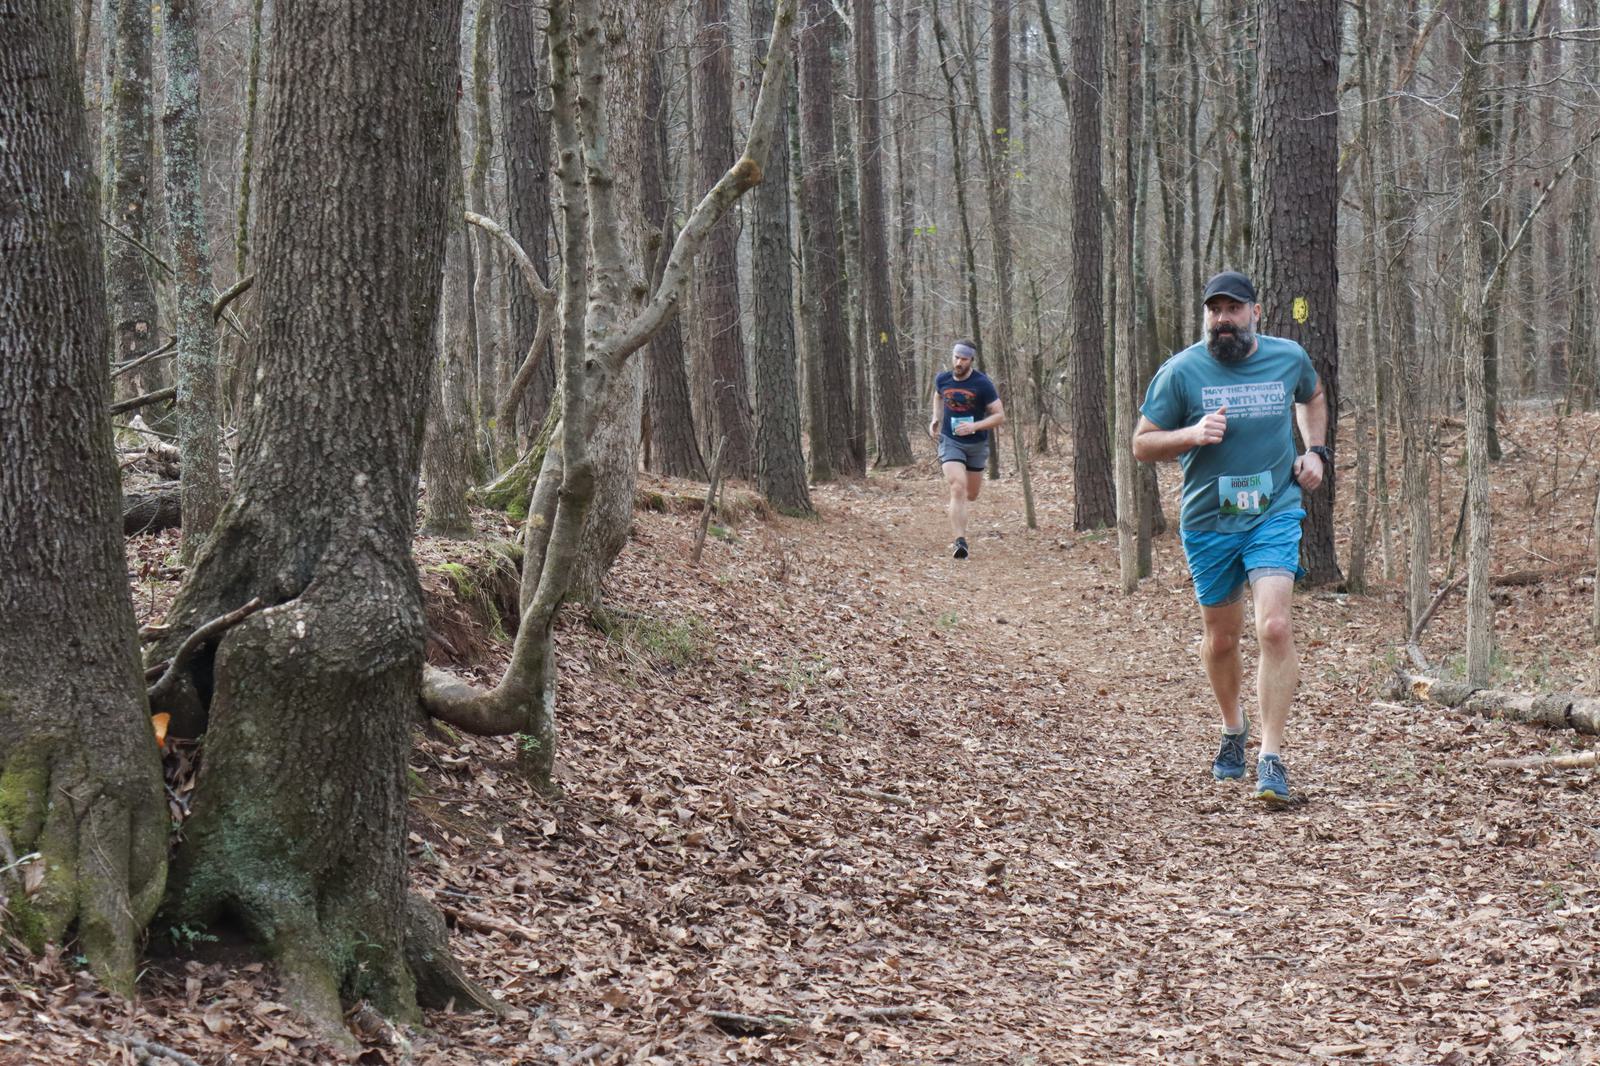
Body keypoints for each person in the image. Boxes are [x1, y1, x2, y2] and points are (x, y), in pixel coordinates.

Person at [1131, 270, 1329, 806]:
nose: (1224, 319)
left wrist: (1315, 452)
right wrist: (1191, 435)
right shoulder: (1181, 372)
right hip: (1208, 522)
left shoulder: (1288, 357)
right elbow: (1142, 445)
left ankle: (1271, 756)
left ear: (1254, 313)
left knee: (1275, 625)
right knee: (1221, 639)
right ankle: (1232, 729)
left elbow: (1312, 396)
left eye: (1234, 309)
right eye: (1215, 310)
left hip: (1274, 513)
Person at [928, 340, 1005, 559]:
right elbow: (938, 395)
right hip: (950, 441)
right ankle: (960, 542)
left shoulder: (982, 384)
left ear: (971, 360)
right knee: (957, 487)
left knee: (971, 494)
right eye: (956, 357)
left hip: (977, 444)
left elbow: (1000, 415)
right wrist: (936, 418)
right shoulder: (942, 379)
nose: (959, 362)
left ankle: (960, 513)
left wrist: (974, 426)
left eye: (963, 359)